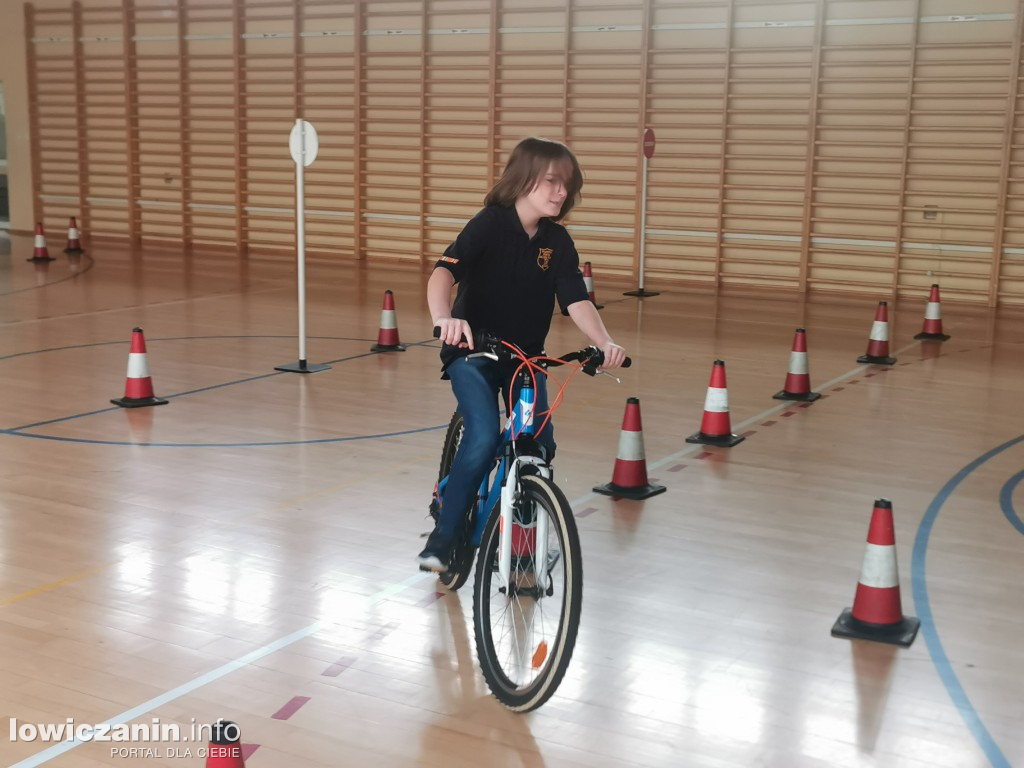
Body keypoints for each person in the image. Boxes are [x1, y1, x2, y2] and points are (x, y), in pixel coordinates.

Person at [418, 136, 627, 571]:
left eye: (567, 185)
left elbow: (575, 298)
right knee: (481, 434)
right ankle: (442, 539)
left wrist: (603, 340)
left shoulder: (558, 240)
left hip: (526, 360)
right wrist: (445, 319)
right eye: (551, 181)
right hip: (473, 352)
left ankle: (522, 541)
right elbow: (444, 272)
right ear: (523, 179)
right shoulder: (490, 224)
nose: (561, 193)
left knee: (538, 446)